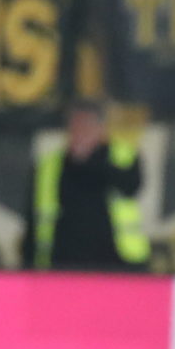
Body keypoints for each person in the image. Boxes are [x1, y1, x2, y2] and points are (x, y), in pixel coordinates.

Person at [28, 102, 148, 271]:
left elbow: (131, 187)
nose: (80, 132)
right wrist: (30, 263)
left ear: (101, 129)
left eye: (87, 126)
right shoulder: (50, 165)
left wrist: (91, 160)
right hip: (63, 262)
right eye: (75, 126)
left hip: (117, 261)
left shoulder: (123, 156)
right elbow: (34, 217)